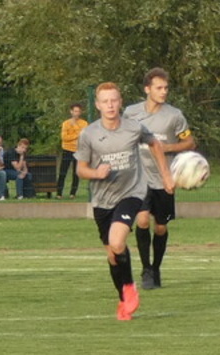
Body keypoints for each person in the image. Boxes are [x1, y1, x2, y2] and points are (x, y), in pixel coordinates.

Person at [76, 81, 173, 320]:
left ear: (120, 102)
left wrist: (166, 176)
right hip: (102, 200)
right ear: (97, 105)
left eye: (114, 100)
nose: (110, 105)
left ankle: (129, 287)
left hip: (131, 193)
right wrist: (96, 173)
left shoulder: (134, 128)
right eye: (105, 101)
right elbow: (80, 169)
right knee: (112, 254)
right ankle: (123, 299)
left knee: (117, 241)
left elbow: (154, 144)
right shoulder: (89, 134)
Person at [128, 68, 193, 290]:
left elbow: (190, 142)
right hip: (139, 177)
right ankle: (146, 269)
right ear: (147, 89)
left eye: (166, 88)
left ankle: (156, 268)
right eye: (159, 88)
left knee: (161, 227)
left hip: (165, 178)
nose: (164, 92)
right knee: (142, 220)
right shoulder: (131, 113)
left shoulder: (174, 116)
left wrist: (168, 147)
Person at [56, 102, 88, 198]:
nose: (76, 113)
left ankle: (72, 193)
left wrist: (75, 131)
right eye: (75, 111)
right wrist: (77, 134)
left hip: (78, 150)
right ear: (71, 112)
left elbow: (84, 136)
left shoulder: (84, 123)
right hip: (67, 149)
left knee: (76, 172)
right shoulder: (66, 123)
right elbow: (64, 137)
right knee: (63, 172)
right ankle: (59, 193)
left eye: (78, 111)